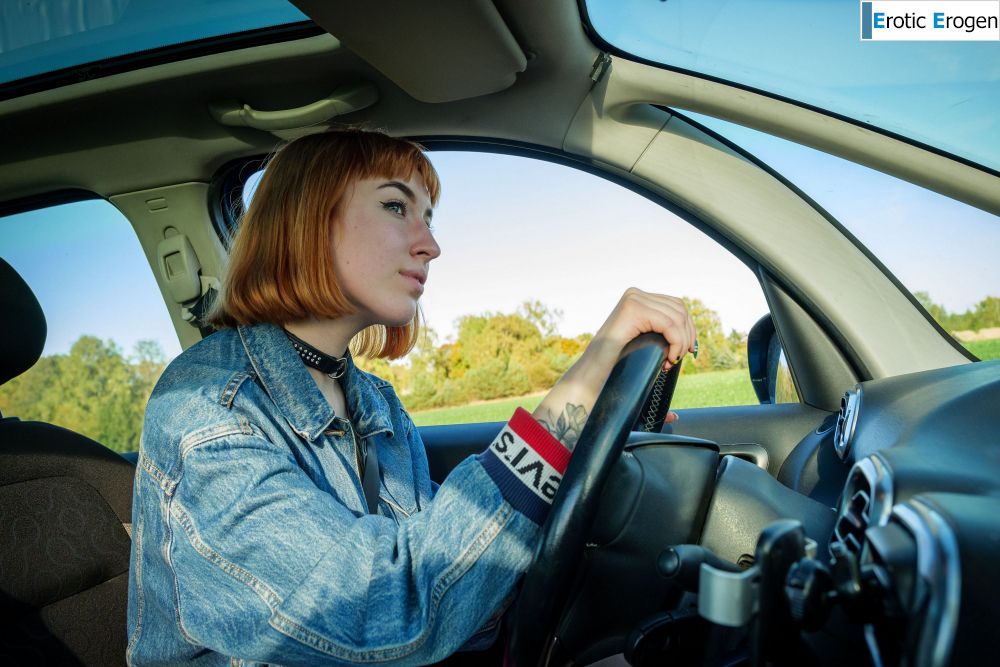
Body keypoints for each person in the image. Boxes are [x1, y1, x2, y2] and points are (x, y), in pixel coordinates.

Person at [126, 129, 696, 665]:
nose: (431, 245)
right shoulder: (208, 409)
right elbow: (384, 611)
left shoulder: (375, 402)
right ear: (306, 222)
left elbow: (456, 584)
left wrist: (585, 443)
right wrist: (588, 372)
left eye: (428, 216)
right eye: (397, 207)